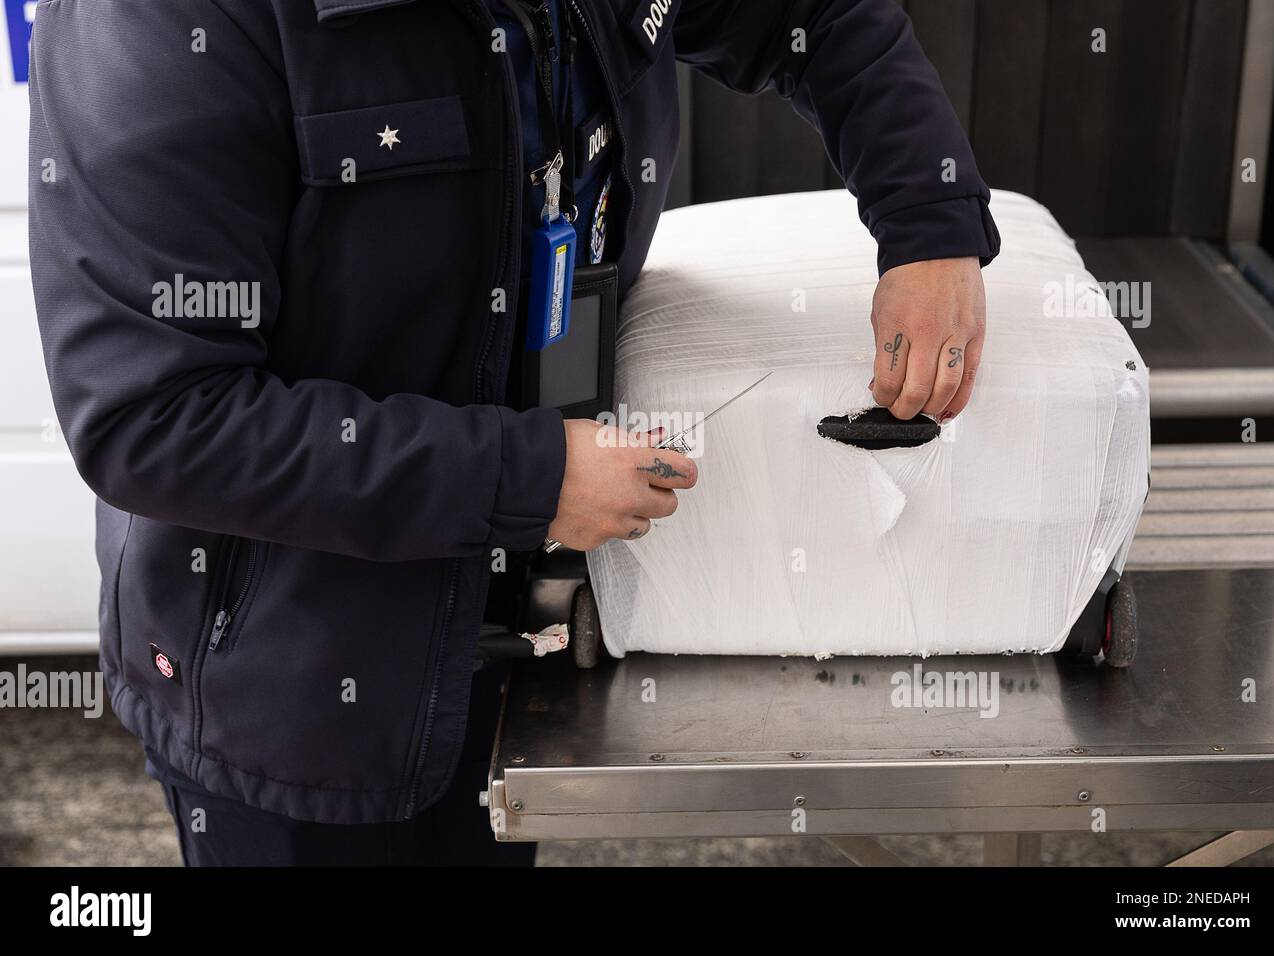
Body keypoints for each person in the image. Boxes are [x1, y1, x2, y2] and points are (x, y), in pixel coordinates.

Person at [29, 0, 999, 866]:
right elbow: (154, 418)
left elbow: (817, 18)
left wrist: (930, 219)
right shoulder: (154, 20)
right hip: (293, 693)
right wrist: (528, 478)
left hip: (508, 642)